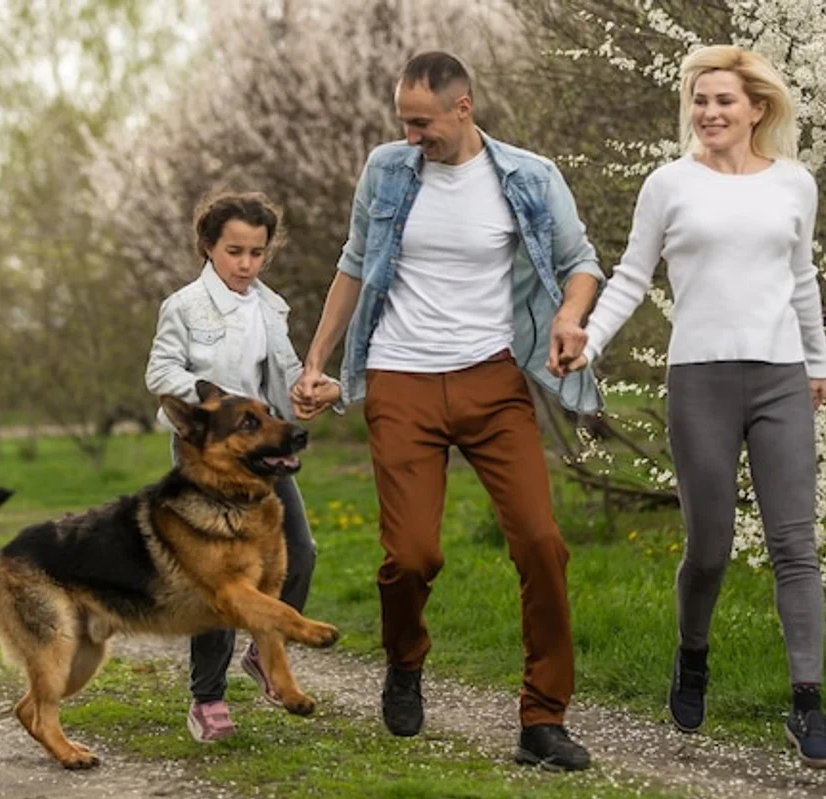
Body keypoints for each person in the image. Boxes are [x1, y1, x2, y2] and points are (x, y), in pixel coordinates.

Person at [294, 51, 604, 772]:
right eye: (403, 119)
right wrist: (316, 360)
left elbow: (580, 260)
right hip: (399, 378)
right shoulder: (387, 170)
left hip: (492, 383)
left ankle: (542, 717)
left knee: (540, 541)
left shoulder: (527, 176)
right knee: (411, 556)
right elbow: (352, 260)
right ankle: (405, 659)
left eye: (422, 121)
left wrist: (571, 316)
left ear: (463, 108)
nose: (410, 134)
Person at [559, 44, 826, 768]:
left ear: (757, 108)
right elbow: (630, 275)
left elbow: (801, 276)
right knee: (709, 546)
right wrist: (589, 341)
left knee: (794, 544)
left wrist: (818, 360)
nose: (709, 112)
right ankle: (692, 654)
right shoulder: (668, 184)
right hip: (700, 380)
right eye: (699, 100)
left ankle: (807, 700)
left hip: (780, 375)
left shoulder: (794, 185)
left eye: (723, 101)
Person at [145, 190, 341, 744]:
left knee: (299, 554)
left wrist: (315, 390)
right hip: (205, 459)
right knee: (219, 582)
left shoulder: (270, 308)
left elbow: (282, 379)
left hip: (260, 459)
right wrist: (217, 407)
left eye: (257, 252)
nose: (247, 264)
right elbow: (160, 373)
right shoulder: (184, 307)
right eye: (235, 251)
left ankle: (264, 651)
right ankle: (207, 700)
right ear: (209, 247)